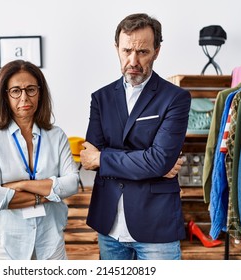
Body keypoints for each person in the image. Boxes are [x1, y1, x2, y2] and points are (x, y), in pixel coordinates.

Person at [80, 13, 191, 260]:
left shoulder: (175, 98)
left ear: (157, 51)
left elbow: (159, 160)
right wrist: (151, 161)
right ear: (116, 48)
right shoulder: (100, 98)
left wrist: (104, 159)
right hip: (108, 225)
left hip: (156, 225)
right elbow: (89, 157)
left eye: (142, 52)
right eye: (126, 50)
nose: (133, 60)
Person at [0, 60, 79, 260]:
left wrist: (22, 184)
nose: (24, 97)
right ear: (4, 95)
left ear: (40, 93)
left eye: (31, 89)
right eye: (15, 91)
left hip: (50, 242)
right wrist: (47, 193)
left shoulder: (56, 135)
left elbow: (72, 183)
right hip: (3, 244)